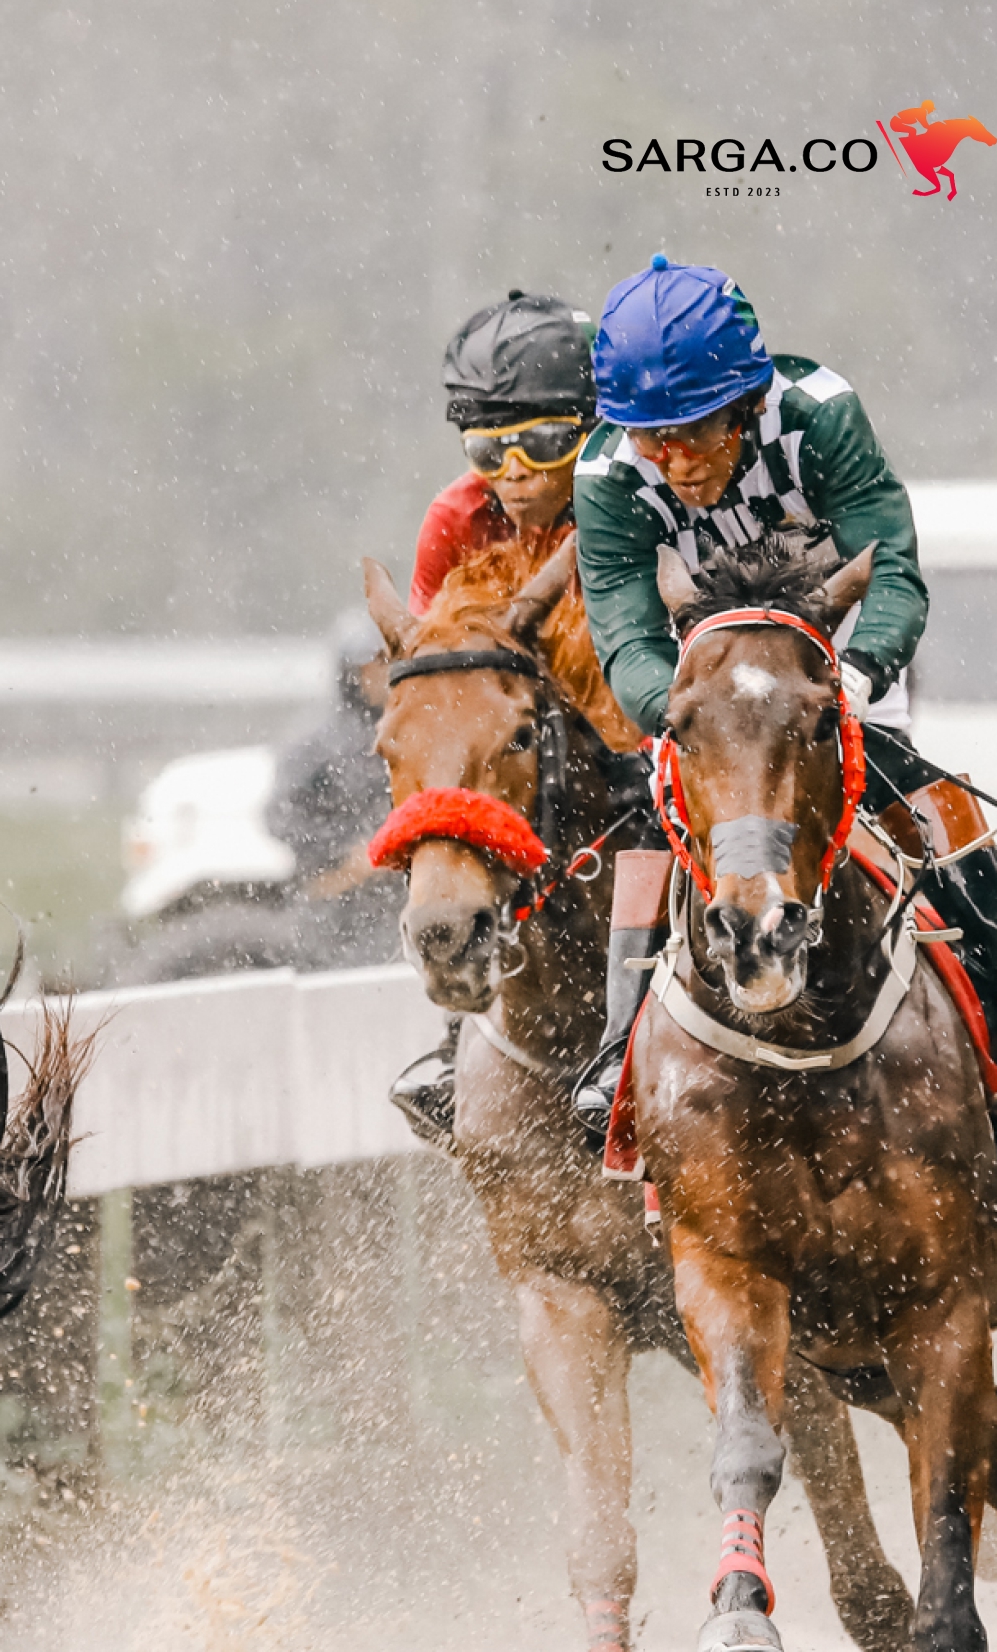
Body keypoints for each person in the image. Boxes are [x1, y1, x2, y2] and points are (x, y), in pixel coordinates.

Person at [567, 254, 997, 1134]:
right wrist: (681, 714)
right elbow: (624, 636)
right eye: (651, 437)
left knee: (907, 781)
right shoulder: (609, 475)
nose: (672, 460)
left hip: (829, 656)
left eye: (693, 432)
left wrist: (859, 677)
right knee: (664, 809)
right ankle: (621, 1043)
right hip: (708, 682)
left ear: (745, 405)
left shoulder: (820, 415)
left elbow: (894, 574)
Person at [385, 291, 601, 1140]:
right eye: (488, 449)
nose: (512, 472)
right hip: (525, 743)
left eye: (541, 445)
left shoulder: (638, 497)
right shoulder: (455, 519)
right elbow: (433, 686)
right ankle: (457, 1031)